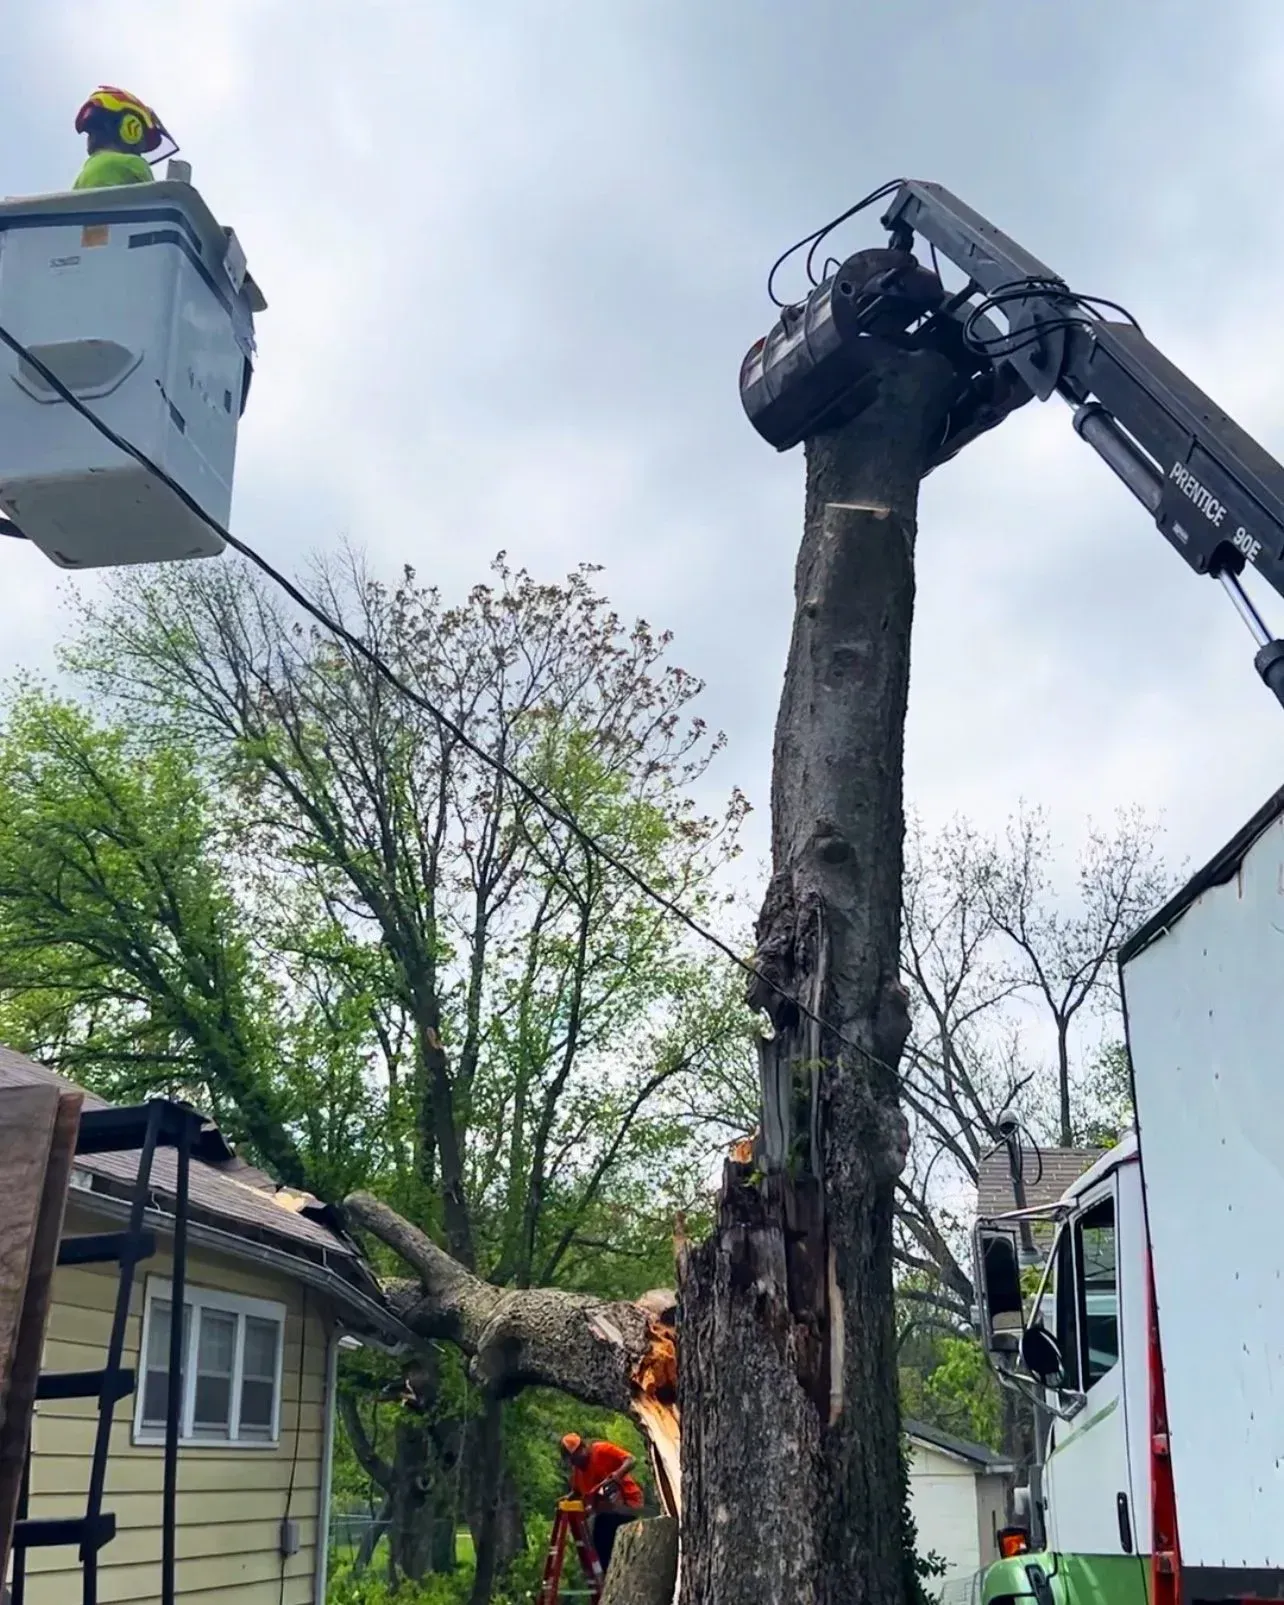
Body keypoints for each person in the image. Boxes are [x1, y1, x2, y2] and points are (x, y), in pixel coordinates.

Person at [559, 1432, 644, 1575]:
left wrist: (617, 1475)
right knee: (598, 1539)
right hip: (606, 1511)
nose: (577, 1463)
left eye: (576, 1458)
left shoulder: (602, 1450)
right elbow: (578, 1492)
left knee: (601, 1531)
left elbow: (631, 1460)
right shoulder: (578, 1473)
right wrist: (568, 1499)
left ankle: (613, 1572)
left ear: (583, 1447)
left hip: (627, 1503)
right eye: (573, 1461)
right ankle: (609, 1574)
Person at [72, 87, 168, 190]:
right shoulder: (133, 163)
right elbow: (156, 201)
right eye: (142, 141)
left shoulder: (81, 177)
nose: (140, 152)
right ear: (131, 128)